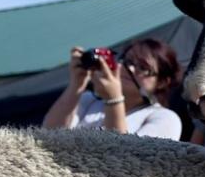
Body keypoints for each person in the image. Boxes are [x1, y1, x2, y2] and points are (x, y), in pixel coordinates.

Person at [43, 39, 182, 140]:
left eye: (143, 67)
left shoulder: (165, 118)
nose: (130, 69)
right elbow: (48, 133)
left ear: (162, 82)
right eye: (128, 61)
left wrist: (113, 101)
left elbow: (128, 158)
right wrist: (76, 85)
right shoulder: (89, 99)